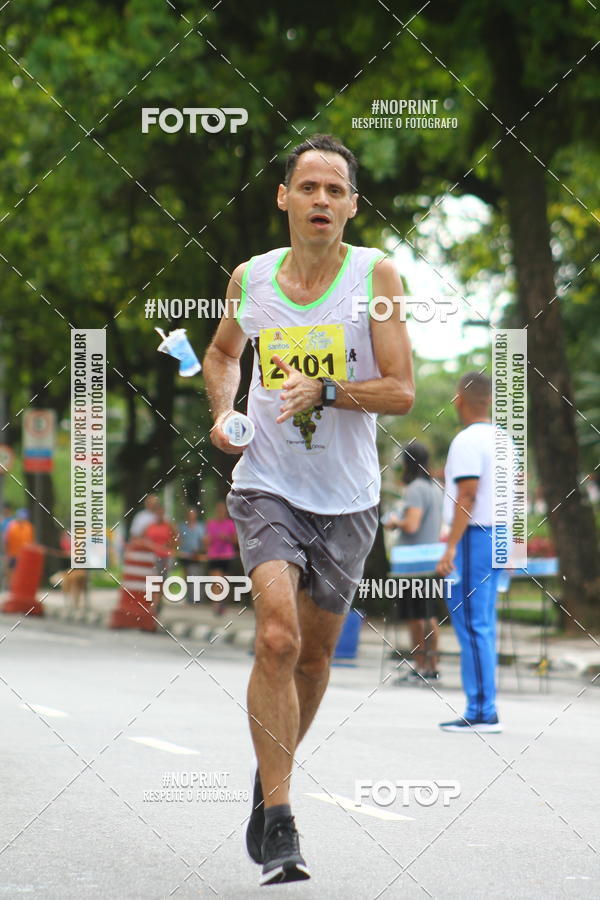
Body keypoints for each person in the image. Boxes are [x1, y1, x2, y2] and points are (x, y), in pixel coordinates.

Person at [203, 134, 414, 886]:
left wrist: (325, 390)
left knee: (317, 658)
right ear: (283, 198)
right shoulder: (252, 278)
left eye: (335, 189)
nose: (321, 199)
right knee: (277, 637)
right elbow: (222, 355)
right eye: (308, 187)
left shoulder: (374, 275)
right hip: (268, 483)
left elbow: (402, 391)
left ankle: (270, 779)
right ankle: (283, 820)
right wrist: (224, 413)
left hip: (347, 499)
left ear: (352, 205)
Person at [435, 372, 507, 733]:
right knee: (483, 622)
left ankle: (482, 711)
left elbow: (467, 495)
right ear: (489, 400)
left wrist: (450, 547)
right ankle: (483, 706)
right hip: (498, 534)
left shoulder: (466, 441)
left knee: (471, 622)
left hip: (474, 536)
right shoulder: (504, 439)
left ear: (459, 399)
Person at [384, 442, 443, 683]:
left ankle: (420, 666)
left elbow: (411, 525)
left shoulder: (415, 489)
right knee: (429, 614)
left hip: (412, 564)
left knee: (416, 617)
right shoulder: (436, 488)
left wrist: (393, 522)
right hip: (431, 559)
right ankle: (432, 666)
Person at [204, 501, 237, 611]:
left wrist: (226, 538)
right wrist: (207, 541)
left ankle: (222, 601)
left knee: (224, 580)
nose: (220, 513)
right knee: (216, 579)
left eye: (222, 511)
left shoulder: (230, 524)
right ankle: (216, 603)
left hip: (226, 555)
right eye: (219, 511)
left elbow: (235, 540)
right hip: (214, 555)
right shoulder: (211, 524)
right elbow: (206, 539)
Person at [178, 508, 206, 603]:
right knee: (187, 575)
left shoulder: (200, 527)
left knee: (196, 575)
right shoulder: (182, 526)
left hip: (196, 555)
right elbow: (179, 540)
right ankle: (189, 597)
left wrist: (201, 551)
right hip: (185, 555)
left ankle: (197, 597)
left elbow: (203, 540)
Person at [144, 506, 177, 581]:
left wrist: (171, 546)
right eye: (158, 513)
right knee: (154, 577)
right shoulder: (150, 526)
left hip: (166, 556)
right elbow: (145, 539)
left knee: (164, 577)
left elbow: (176, 539)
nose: (160, 515)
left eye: (161, 513)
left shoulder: (169, 526)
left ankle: (163, 588)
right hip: (154, 556)